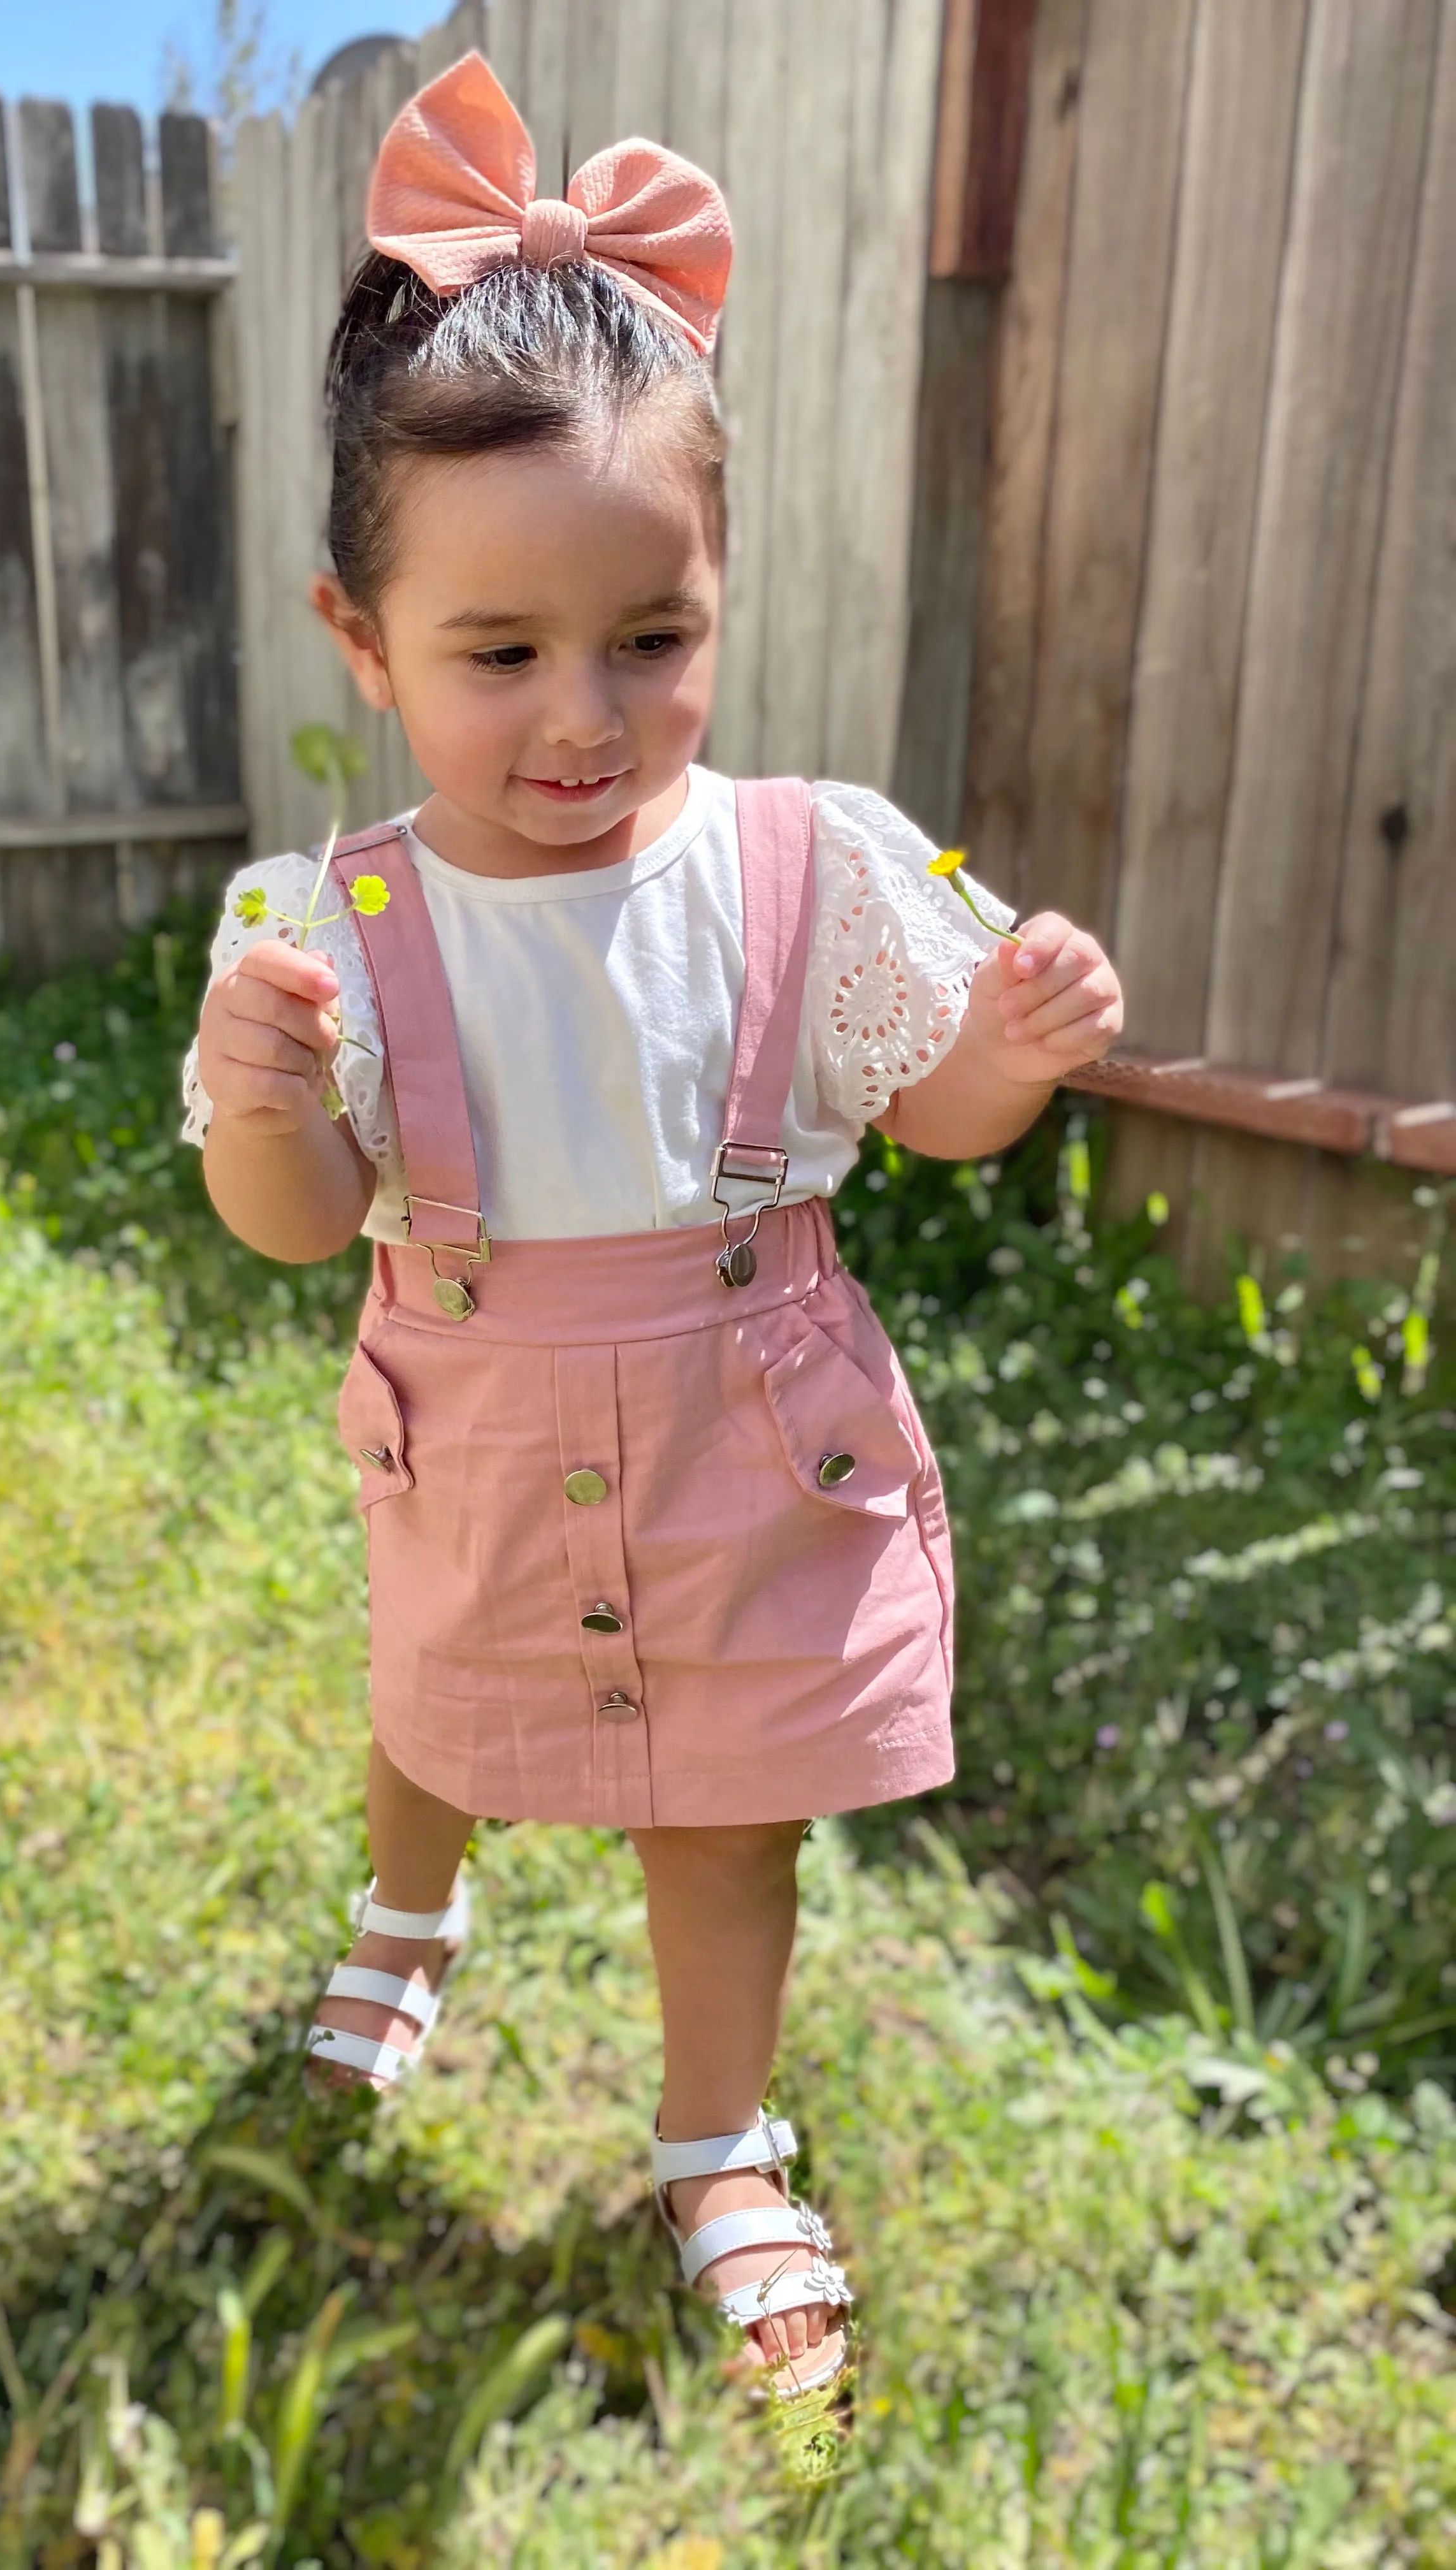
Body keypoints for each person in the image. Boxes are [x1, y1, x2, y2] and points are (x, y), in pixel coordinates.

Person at [184, 51, 1123, 2400]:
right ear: (361, 637)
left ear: (715, 600)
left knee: (728, 1811)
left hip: (748, 1423)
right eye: (500, 656)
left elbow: (929, 1122)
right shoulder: (334, 916)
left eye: (654, 636)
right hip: (478, 1410)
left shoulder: (810, 860)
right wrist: (256, 1097)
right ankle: (420, 1894)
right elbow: (300, 1225)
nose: (586, 715)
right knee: (445, 1681)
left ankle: (721, 2132)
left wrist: (1006, 1042)